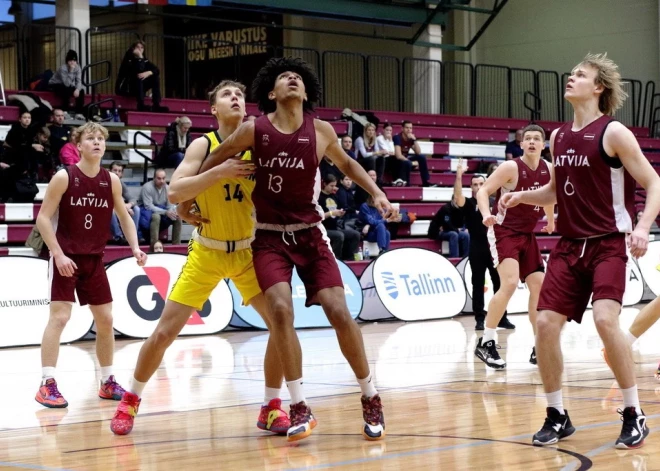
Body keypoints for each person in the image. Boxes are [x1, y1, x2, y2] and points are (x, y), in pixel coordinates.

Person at [181, 57, 393, 442]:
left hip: (310, 234)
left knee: (340, 313)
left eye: (298, 77)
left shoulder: (322, 130)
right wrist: (188, 198)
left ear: (305, 91)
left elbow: (347, 166)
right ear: (272, 93)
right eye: (284, 77)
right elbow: (216, 157)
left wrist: (377, 193)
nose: (292, 78)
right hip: (267, 237)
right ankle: (297, 405)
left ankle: (370, 395)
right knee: (280, 310)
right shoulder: (254, 129)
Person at [110, 80, 288, 437]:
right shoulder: (202, 145)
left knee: (282, 326)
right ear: (213, 109)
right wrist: (219, 172)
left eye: (239, 94)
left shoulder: (260, 146)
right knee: (163, 333)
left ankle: (271, 407)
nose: (235, 98)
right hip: (207, 251)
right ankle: (130, 400)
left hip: (249, 252)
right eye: (226, 95)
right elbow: (175, 193)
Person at [501, 53, 660, 449]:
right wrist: (523, 195)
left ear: (599, 87)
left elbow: (654, 183)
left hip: (608, 243)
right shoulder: (558, 136)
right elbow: (556, 191)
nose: (570, 78)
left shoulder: (614, 133)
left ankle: (633, 411)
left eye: (580, 75)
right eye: (571, 73)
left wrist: (642, 227)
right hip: (569, 246)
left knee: (606, 321)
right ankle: (557, 414)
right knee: (543, 324)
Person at [34, 122, 147, 408]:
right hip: (66, 256)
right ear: (79, 145)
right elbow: (43, 219)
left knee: (106, 319)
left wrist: (135, 247)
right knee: (59, 318)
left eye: (101, 139)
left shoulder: (111, 180)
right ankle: (47, 383)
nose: (97, 142)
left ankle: (107, 381)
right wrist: (57, 254)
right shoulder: (64, 177)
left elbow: (124, 216)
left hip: (94, 258)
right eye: (90, 138)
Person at [474, 124, 554, 369]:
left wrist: (550, 220)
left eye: (536, 138)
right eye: (527, 138)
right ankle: (486, 341)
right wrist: (486, 214)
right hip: (503, 231)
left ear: (543, 145)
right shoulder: (511, 167)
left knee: (539, 287)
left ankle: (538, 344)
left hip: (528, 234)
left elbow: (549, 196)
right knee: (508, 283)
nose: (531, 142)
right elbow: (484, 190)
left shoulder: (550, 169)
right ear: (521, 144)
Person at [453, 161, 514, 331]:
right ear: (471, 187)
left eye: (481, 183)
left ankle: (502, 317)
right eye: (475, 184)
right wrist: (459, 175)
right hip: (476, 248)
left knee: (499, 284)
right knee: (477, 284)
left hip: (494, 247)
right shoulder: (468, 204)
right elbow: (457, 196)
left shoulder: (495, 203)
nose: (478, 187)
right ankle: (480, 318)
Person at [116, 40, 168, 112]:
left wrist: (149, 72)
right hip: (127, 89)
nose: (140, 49)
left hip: (139, 89)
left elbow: (156, 70)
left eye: (142, 47)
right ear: (133, 49)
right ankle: (140, 105)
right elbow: (138, 69)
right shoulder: (128, 59)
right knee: (139, 76)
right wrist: (140, 57)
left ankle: (156, 104)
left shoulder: (144, 60)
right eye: (137, 47)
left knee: (155, 77)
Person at [109, 161, 142, 245]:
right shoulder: (104, 182)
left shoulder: (121, 184)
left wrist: (129, 205)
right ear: (109, 171)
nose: (117, 173)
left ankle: (132, 236)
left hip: (118, 207)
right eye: (115, 170)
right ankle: (118, 237)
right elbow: (107, 200)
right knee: (112, 210)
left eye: (119, 171)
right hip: (106, 208)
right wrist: (123, 207)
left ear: (122, 174)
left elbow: (133, 199)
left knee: (136, 209)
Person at [392, 121, 433, 187]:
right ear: (402, 129)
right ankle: (407, 184)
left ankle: (426, 182)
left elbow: (418, 152)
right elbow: (398, 156)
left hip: (405, 160)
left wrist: (414, 140)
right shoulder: (397, 137)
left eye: (410, 128)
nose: (409, 130)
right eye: (407, 128)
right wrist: (411, 162)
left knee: (422, 157)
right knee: (407, 163)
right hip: (396, 162)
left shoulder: (410, 139)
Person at [48, 50, 85, 118]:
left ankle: (79, 113)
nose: (72, 63)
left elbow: (79, 81)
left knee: (81, 90)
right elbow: (67, 84)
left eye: (74, 61)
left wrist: (77, 89)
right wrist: (71, 71)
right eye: (70, 61)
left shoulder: (78, 67)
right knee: (65, 89)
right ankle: (65, 111)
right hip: (55, 84)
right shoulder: (63, 68)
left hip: (66, 84)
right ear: (67, 61)